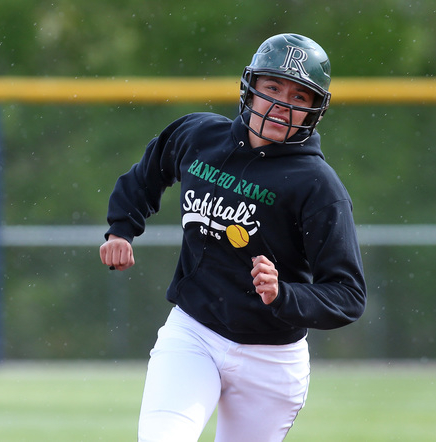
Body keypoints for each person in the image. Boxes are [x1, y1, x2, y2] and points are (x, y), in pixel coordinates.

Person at [99, 33, 367, 442]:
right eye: (272, 87)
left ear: (315, 109)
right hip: (194, 334)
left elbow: (348, 294)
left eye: (299, 95)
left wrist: (285, 295)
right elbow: (147, 174)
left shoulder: (317, 186)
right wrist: (121, 227)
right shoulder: (200, 136)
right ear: (250, 87)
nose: (281, 104)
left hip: (272, 360)